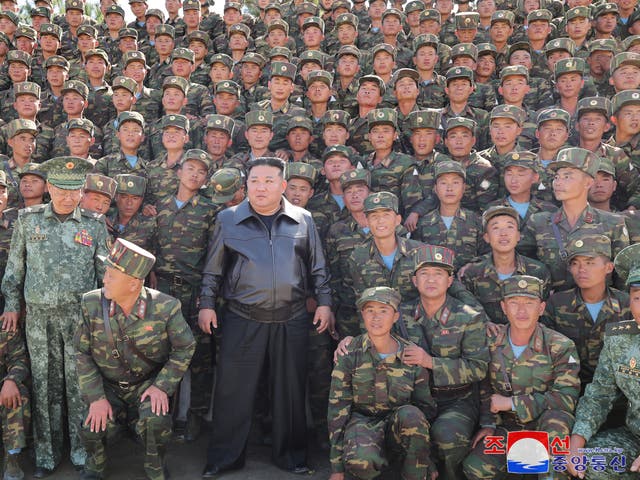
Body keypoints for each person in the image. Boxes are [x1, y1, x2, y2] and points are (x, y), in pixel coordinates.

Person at [198, 156, 332, 477]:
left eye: (269, 181)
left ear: (283, 185)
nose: (261, 187)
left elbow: (318, 268)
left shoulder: (304, 220)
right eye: (255, 181)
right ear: (246, 186)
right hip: (243, 317)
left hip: (293, 317)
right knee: (234, 391)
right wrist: (206, 304)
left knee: (290, 391)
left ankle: (292, 457)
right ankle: (224, 459)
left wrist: (325, 302)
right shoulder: (228, 219)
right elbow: (213, 270)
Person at [1, 157, 110, 477]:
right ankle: (46, 455)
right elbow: (15, 269)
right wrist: (11, 304)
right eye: (60, 189)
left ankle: (80, 450)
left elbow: (105, 273)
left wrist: (106, 313)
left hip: (80, 317)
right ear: (49, 188)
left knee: (79, 385)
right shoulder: (27, 220)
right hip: (38, 317)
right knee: (44, 384)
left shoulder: (94, 223)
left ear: (82, 191)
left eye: (74, 190)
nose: (66, 196)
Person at [76, 238, 195, 480]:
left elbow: (185, 347)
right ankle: (95, 467)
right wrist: (96, 398)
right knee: (91, 425)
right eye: (106, 273)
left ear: (133, 284)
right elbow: (82, 353)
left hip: (145, 385)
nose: (104, 280)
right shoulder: (91, 303)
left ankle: (155, 466)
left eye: (111, 275)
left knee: (156, 420)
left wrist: (162, 386)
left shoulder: (166, 307)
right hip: (108, 387)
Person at [462, 275, 581, 480]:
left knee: (557, 424)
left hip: (545, 424)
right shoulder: (490, 341)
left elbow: (565, 399)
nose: (522, 311)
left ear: (541, 308)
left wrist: (512, 403)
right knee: (475, 468)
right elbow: (483, 387)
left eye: (529, 303)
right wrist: (488, 423)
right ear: (503, 307)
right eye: (514, 303)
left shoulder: (560, 346)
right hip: (507, 427)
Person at [398, 245, 489, 480]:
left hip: (456, 400)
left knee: (447, 437)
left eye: (438, 274)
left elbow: (478, 367)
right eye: (425, 273)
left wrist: (430, 362)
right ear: (414, 280)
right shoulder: (399, 314)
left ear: (450, 281)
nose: (431, 280)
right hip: (414, 399)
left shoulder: (469, 316)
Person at [328, 286, 437, 480]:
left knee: (412, 415)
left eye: (383, 311)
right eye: (370, 311)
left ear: (395, 316)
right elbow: (338, 411)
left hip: (400, 426)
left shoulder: (410, 355)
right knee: (362, 461)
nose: (376, 318)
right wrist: (337, 469)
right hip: (364, 422)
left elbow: (425, 409)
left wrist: (427, 459)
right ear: (362, 314)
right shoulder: (349, 353)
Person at [568, 243, 640, 479]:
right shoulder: (620, 339)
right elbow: (600, 393)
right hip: (633, 436)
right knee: (585, 463)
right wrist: (577, 441)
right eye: (638, 298)